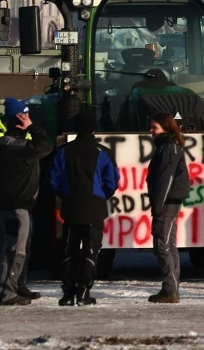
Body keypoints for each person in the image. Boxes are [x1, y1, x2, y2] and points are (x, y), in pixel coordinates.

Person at [0, 98, 54, 306]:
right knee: (15, 251)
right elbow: (47, 145)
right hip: (17, 207)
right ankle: (7, 294)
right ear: (21, 121)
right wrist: (33, 126)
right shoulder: (23, 149)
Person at [48, 111, 120, 306]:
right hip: (95, 207)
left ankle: (68, 293)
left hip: (71, 206)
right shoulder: (103, 152)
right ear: (94, 128)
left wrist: (66, 195)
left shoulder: (63, 151)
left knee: (70, 250)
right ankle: (83, 292)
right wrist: (102, 195)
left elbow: (53, 179)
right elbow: (112, 181)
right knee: (91, 251)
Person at [147, 113, 190, 304]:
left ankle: (170, 288)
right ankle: (171, 287)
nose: (151, 130)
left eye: (154, 127)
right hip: (170, 201)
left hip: (166, 203)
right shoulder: (169, 147)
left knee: (161, 245)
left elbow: (165, 180)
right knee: (169, 244)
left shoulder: (168, 148)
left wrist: (157, 208)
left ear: (166, 128)